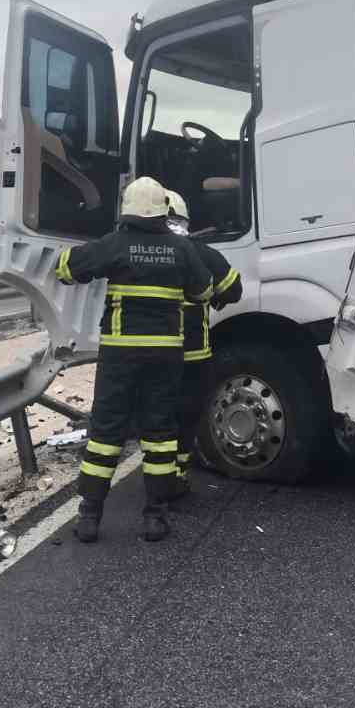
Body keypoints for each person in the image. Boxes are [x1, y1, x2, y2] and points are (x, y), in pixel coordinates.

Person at [54, 176, 212, 544]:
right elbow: (203, 290)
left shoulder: (115, 244)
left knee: (106, 432)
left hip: (120, 354)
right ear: (164, 210)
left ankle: (90, 516)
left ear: (126, 209)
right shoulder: (182, 249)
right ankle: (155, 516)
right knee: (160, 433)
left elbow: (65, 269)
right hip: (166, 354)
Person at [165, 189, 242, 493]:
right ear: (184, 218)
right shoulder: (199, 251)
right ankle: (178, 475)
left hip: (147, 352)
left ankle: (155, 476)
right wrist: (216, 296)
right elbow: (234, 289)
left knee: (156, 415)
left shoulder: (134, 248)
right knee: (186, 415)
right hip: (192, 353)